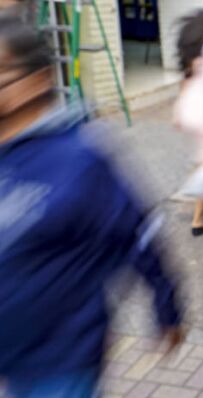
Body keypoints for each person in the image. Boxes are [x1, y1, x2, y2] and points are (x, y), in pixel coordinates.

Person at [0, 20, 184, 397]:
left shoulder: (80, 158)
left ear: (37, 80)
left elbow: (138, 235)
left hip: (60, 362)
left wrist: (167, 308)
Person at [173, 9, 203, 236]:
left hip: (190, 111)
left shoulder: (191, 56)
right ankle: (198, 220)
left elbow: (185, 83)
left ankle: (200, 212)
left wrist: (177, 112)